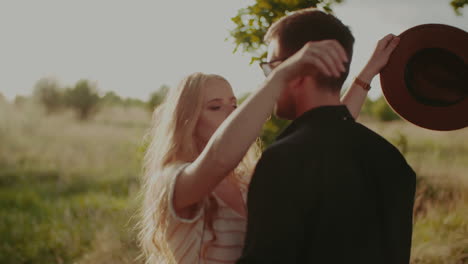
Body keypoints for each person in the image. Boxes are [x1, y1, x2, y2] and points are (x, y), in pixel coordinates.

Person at [137, 9, 403, 264]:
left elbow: (326, 126)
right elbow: (217, 161)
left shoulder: (247, 180)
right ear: (187, 121)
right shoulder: (170, 180)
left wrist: (366, 74)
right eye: (215, 107)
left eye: (234, 104)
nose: (231, 113)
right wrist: (283, 73)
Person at [236, 8, 416, 264]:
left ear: (299, 69)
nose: (269, 81)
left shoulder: (284, 160)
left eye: (273, 67)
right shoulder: (392, 159)